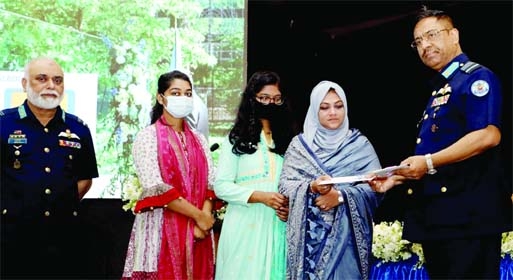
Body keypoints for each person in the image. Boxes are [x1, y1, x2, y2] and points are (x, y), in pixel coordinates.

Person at [369, 6, 513, 279]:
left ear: (454, 35)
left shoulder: (476, 78)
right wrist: (396, 177)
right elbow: (433, 153)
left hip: (468, 219)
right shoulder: (439, 88)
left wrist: (428, 162)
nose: (425, 45)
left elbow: (488, 135)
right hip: (440, 219)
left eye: (432, 35)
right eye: (418, 42)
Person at [0, 57, 99, 279]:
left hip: (63, 236)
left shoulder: (78, 128)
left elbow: (85, 178)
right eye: (41, 79)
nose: (51, 86)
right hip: (11, 236)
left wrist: (61, 202)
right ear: (25, 84)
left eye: (57, 80)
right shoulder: (4, 124)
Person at [278, 80, 384, 280]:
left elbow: (377, 188)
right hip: (308, 244)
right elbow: (285, 185)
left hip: (348, 242)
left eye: (338, 106)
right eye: (324, 107)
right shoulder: (300, 146)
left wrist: (341, 196)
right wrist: (311, 187)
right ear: (314, 111)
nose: (333, 112)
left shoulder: (359, 145)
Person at [121, 70, 216, 280]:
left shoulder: (200, 140)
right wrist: (199, 216)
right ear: (160, 97)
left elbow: (212, 182)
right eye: (176, 92)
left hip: (200, 233)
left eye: (188, 93)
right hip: (160, 230)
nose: (183, 98)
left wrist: (205, 219)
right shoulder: (148, 137)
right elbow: (155, 186)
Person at [213, 70, 296, 279]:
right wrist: (261, 196)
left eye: (276, 99)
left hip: (278, 224)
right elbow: (221, 186)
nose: (270, 104)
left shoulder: (289, 142)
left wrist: (290, 207)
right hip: (245, 223)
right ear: (252, 99)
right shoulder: (235, 140)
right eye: (264, 98)